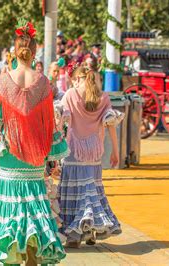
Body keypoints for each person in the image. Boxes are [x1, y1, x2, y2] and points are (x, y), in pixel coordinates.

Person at [0, 20, 65, 265]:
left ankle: (12, 256)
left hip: (9, 152)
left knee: (10, 208)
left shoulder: (4, 81)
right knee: (35, 207)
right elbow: (49, 123)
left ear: (15, 51)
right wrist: (52, 156)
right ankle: (33, 257)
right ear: (35, 52)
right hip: (34, 154)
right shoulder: (43, 82)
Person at [58, 65, 123, 248]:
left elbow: (60, 122)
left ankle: (73, 235)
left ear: (80, 78)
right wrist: (115, 152)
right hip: (94, 151)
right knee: (91, 190)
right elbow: (111, 126)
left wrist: (53, 150)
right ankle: (90, 230)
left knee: (73, 193)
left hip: (73, 151)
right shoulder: (103, 98)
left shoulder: (70, 94)